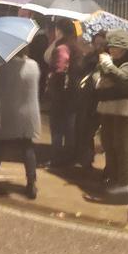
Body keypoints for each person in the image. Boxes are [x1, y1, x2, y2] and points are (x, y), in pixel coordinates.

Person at [0, 46, 41, 199]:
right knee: (27, 145)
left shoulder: (4, 67)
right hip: (29, 112)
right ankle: (31, 182)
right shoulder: (33, 65)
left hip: (9, 112)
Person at [94, 30, 128, 196]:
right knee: (109, 143)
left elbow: (125, 81)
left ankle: (125, 182)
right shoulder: (113, 60)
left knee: (123, 145)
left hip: (126, 109)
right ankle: (112, 176)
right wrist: (103, 74)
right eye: (110, 47)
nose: (111, 50)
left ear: (124, 48)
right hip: (110, 107)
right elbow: (99, 77)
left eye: (115, 47)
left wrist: (109, 68)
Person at [45, 19, 80, 166]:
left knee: (58, 127)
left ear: (60, 30)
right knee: (70, 128)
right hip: (74, 93)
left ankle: (57, 159)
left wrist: (51, 78)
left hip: (61, 95)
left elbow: (59, 70)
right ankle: (70, 157)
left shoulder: (62, 48)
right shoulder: (77, 47)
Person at [74, 32, 108, 168]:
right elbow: (80, 72)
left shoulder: (108, 59)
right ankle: (86, 158)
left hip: (103, 100)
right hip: (88, 100)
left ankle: (105, 165)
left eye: (102, 44)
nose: (99, 46)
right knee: (86, 130)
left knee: (104, 133)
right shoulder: (90, 57)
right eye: (96, 43)